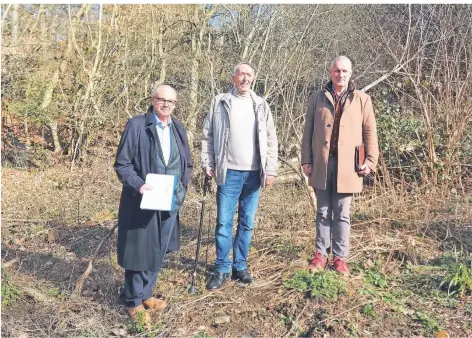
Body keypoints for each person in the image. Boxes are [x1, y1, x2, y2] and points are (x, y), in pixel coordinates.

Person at [114, 85, 193, 323]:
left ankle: (146, 294)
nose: (166, 104)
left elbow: (187, 163)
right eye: (162, 100)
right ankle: (133, 301)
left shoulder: (178, 128)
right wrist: (139, 185)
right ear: (153, 100)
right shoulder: (137, 125)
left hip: (169, 200)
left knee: (158, 248)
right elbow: (122, 164)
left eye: (171, 101)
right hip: (141, 199)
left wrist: (183, 186)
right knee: (139, 250)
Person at [201, 62, 278, 290]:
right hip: (228, 172)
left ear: (253, 78)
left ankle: (240, 265)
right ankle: (222, 268)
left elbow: (272, 139)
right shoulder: (220, 101)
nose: (245, 78)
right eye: (241, 74)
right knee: (224, 223)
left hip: (254, 174)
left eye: (249, 75)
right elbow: (208, 136)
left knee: (247, 223)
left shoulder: (261, 105)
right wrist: (208, 162)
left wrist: (270, 169)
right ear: (233, 77)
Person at [301, 56, 379, 277]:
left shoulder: (363, 100)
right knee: (323, 211)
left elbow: (370, 133)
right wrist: (306, 159)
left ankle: (340, 258)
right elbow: (308, 132)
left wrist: (370, 162)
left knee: (342, 213)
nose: (341, 75)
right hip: (322, 163)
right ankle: (320, 255)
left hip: (349, 166)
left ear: (351, 73)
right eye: (337, 71)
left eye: (345, 71)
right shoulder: (317, 98)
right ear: (330, 72)